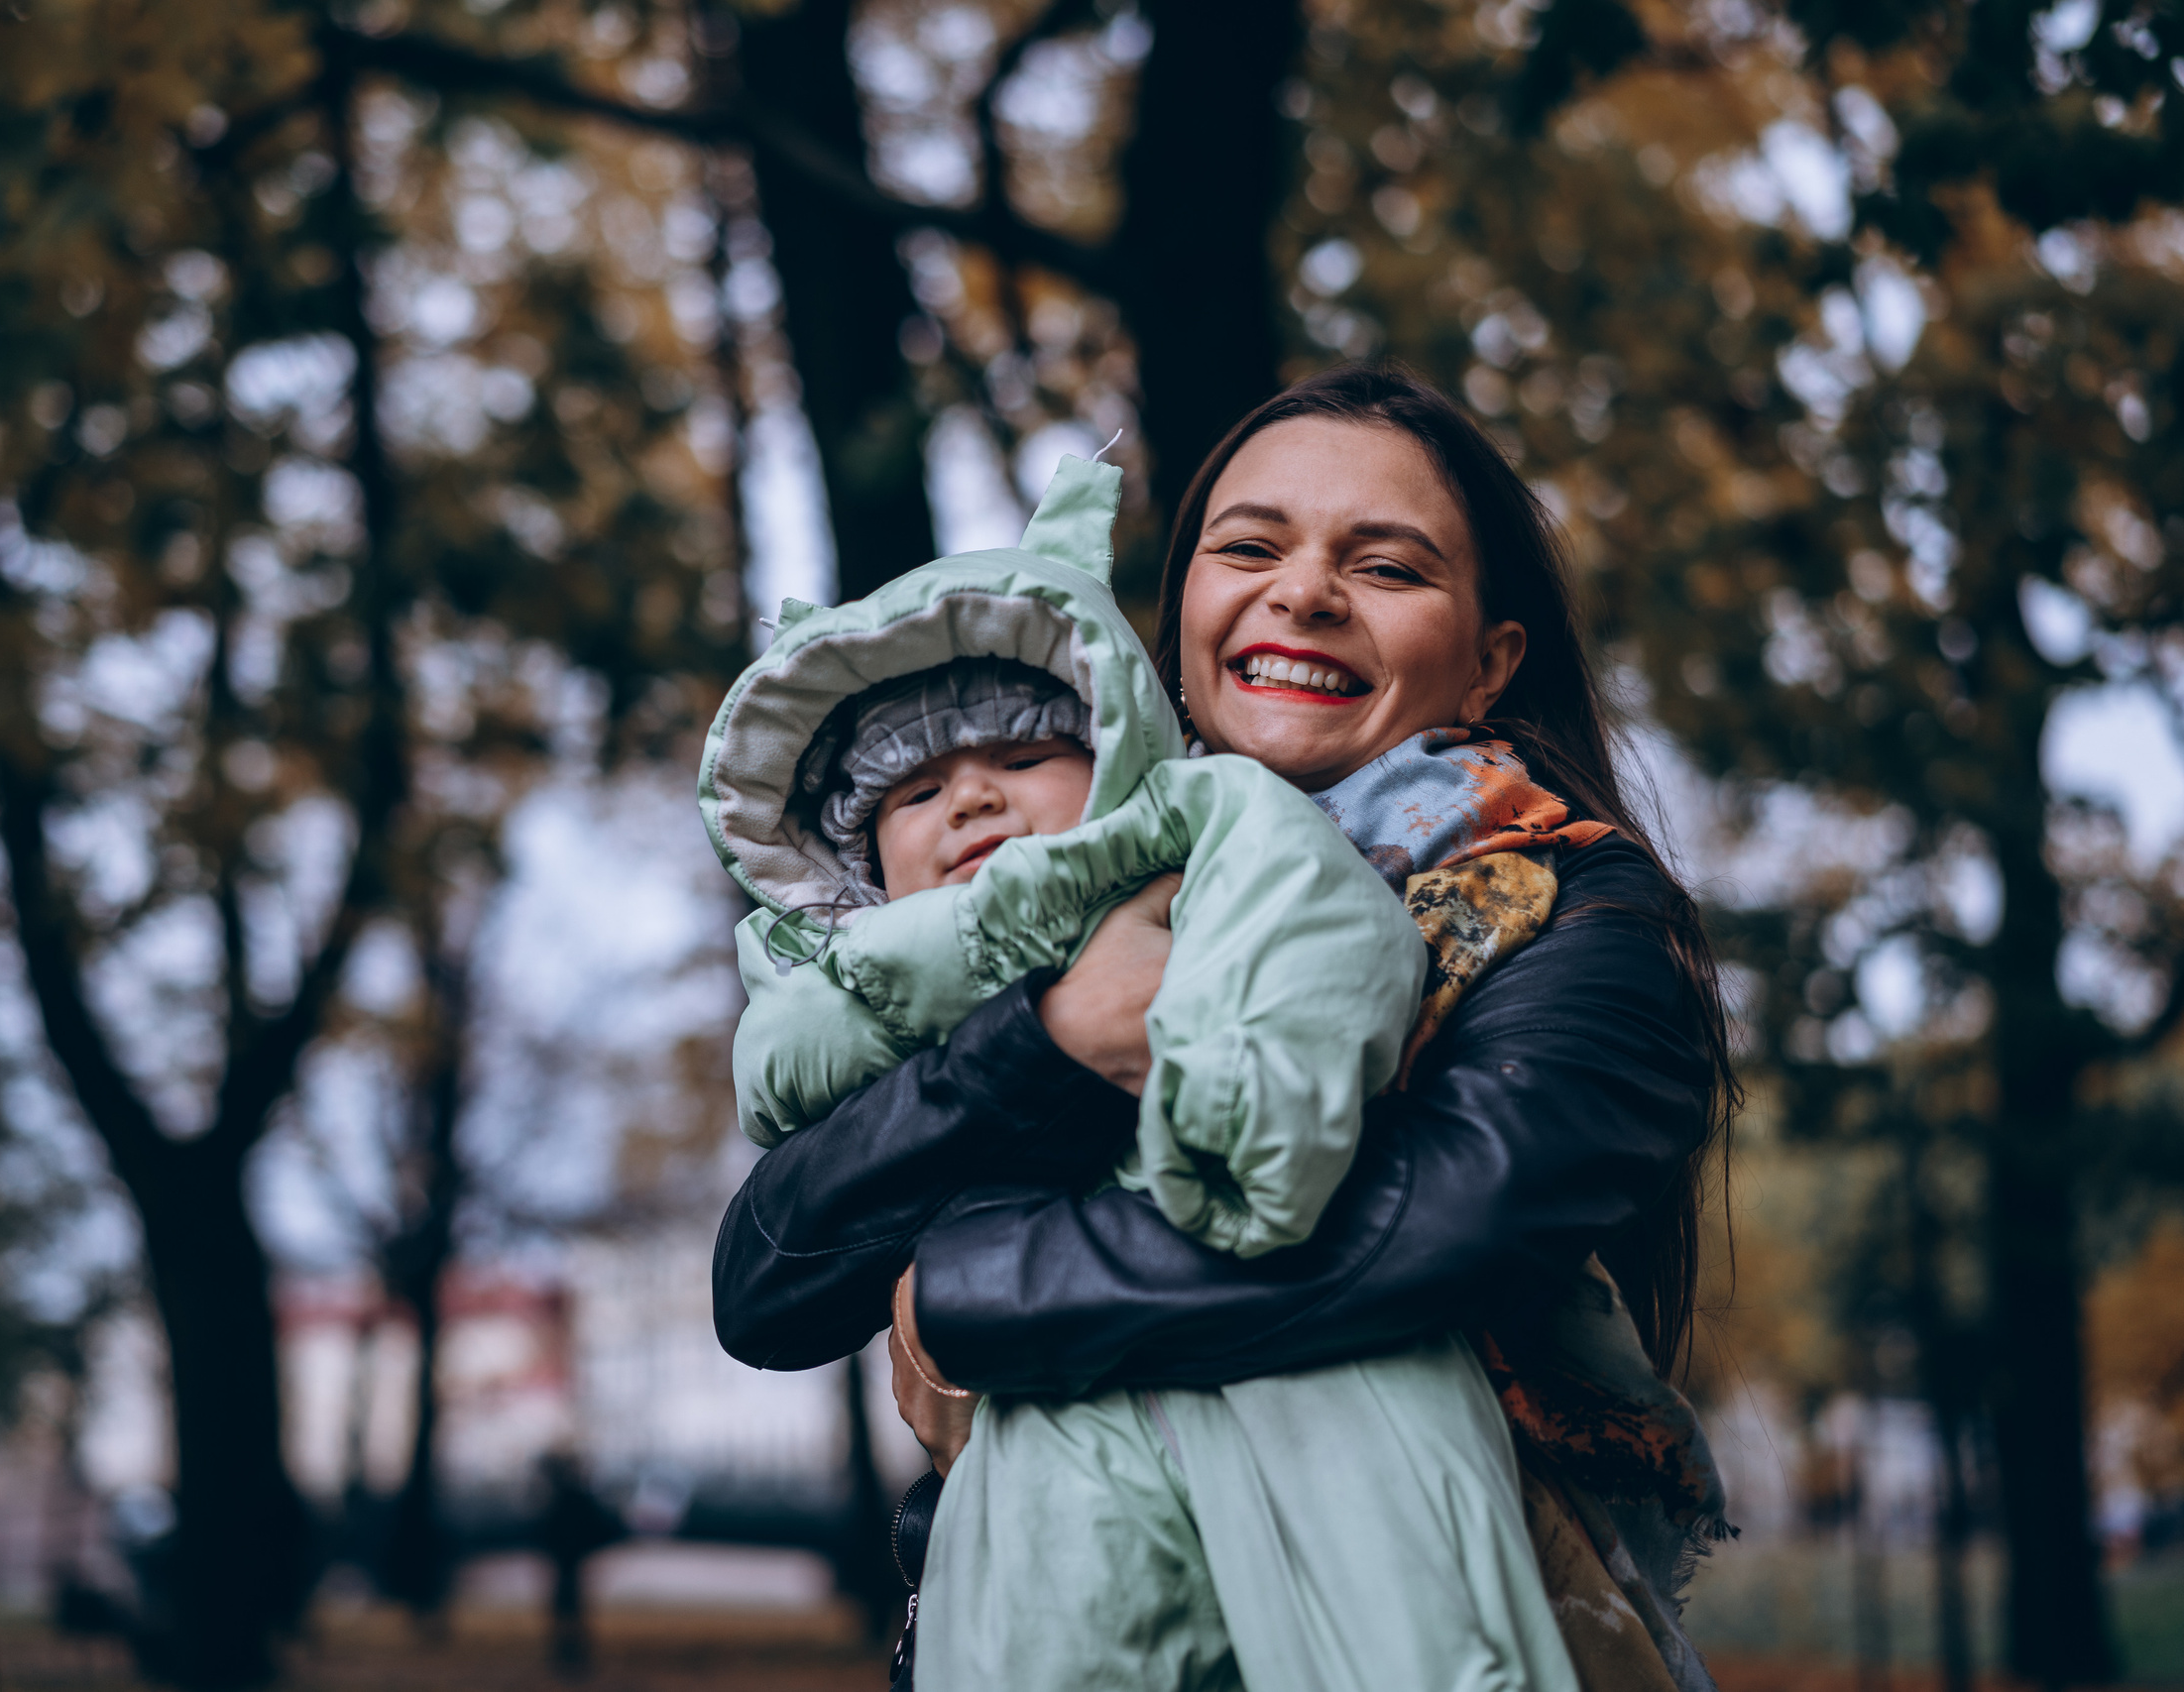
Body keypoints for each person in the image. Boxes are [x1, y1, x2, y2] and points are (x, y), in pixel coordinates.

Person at [713, 364, 1738, 1692]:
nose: (1302, 592)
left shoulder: (1581, 919)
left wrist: (963, 1299)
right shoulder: (1054, 897)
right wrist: (1054, 1039)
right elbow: (770, 1275)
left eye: (1388, 567)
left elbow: (1430, 1233)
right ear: (1184, 613)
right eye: (1248, 547)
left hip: (1429, 1602)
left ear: (1492, 661)